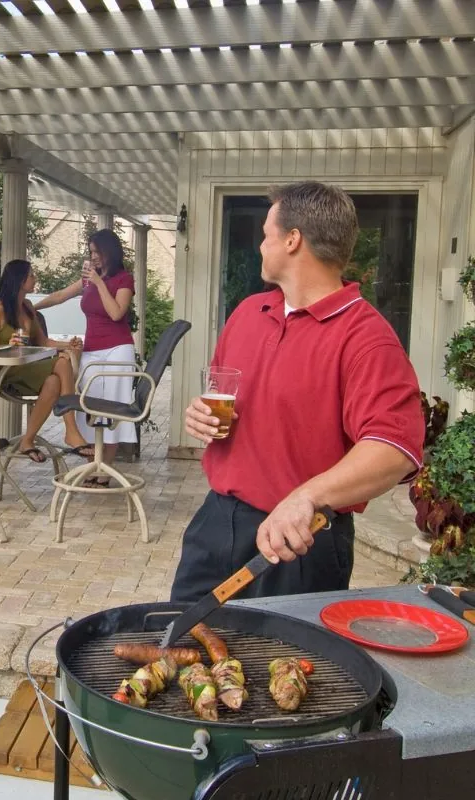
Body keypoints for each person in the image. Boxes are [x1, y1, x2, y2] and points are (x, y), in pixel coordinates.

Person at [170, 181, 424, 602]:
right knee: (180, 649)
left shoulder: (366, 337)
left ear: (292, 240)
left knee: (282, 666)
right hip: (216, 523)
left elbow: (396, 448)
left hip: (300, 540)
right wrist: (200, 413)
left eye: (267, 235)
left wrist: (307, 496)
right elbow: (222, 393)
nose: (261, 246)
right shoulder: (250, 312)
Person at [34, 229, 137, 485]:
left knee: (112, 409)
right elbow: (60, 296)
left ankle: (104, 472)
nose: (93, 257)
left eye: (97, 252)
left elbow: (116, 313)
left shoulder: (124, 279)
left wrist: (100, 283)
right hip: (92, 349)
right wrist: (29, 307)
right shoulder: (88, 280)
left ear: (109, 252)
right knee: (88, 409)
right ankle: (94, 464)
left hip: (117, 350)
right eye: (91, 252)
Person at [0, 259, 86, 462]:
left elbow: (43, 341)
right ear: (19, 280)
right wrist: (6, 344)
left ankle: (28, 440)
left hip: (28, 367)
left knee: (54, 380)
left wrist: (68, 345)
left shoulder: (27, 306)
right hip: (7, 372)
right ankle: (71, 430)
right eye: (31, 275)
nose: (34, 278)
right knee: (62, 363)